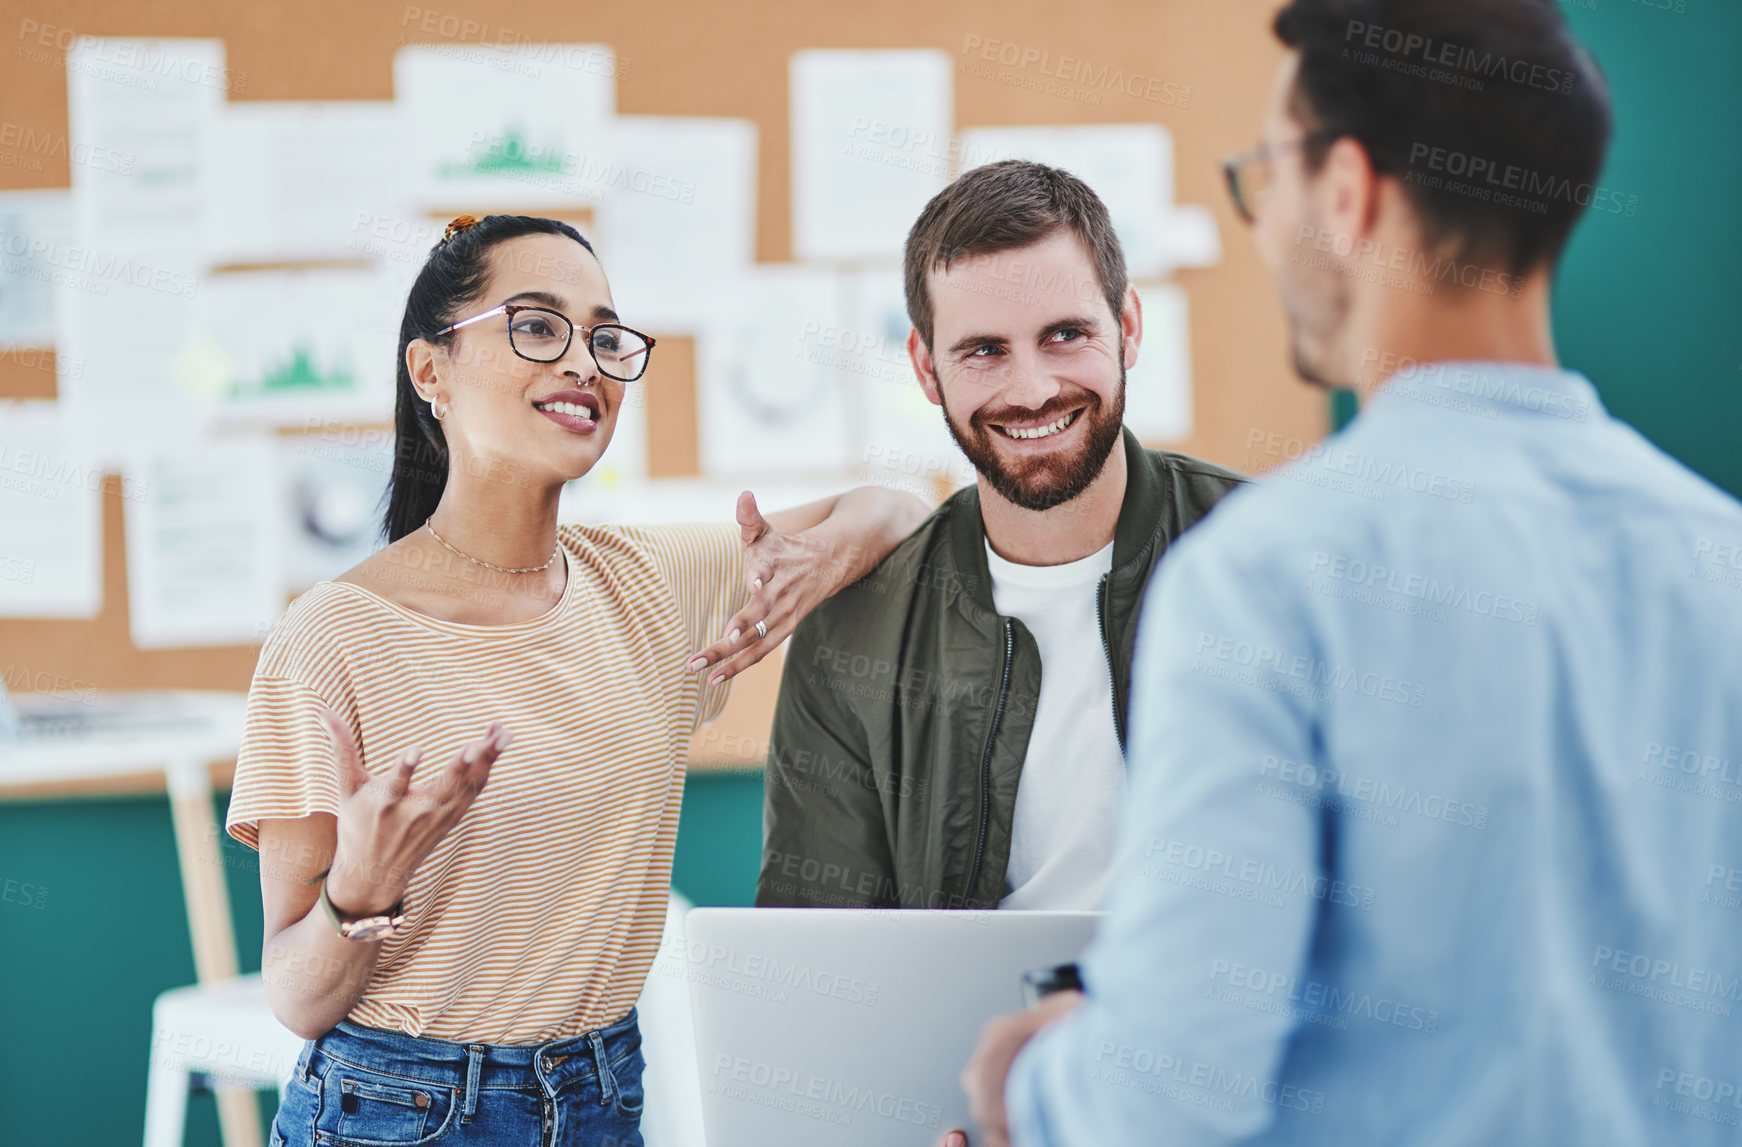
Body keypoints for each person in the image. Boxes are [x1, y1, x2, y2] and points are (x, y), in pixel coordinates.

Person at [950, 1, 1742, 1145]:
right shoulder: (1717, 558)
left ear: (1345, 194)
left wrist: (1027, 1085)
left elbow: (1165, 1093)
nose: (1262, 226)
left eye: (1266, 174)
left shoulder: (1267, 578)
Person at [224, 213, 929, 1146]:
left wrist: (809, 568)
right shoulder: (330, 637)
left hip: (602, 1098)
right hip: (396, 1110)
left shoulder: (650, 584)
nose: (582, 363)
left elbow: (902, 507)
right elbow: (297, 999)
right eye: (537, 326)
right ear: (429, 369)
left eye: (604, 337)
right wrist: (362, 886)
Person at [755, 160, 1245, 913]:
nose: (1031, 390)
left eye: (1066, 335)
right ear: (926, 367)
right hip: (965, 1033)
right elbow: (823, 943)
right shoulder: (855, 630)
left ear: (1130, 327)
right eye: (984, 350)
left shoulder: (1273, 562)